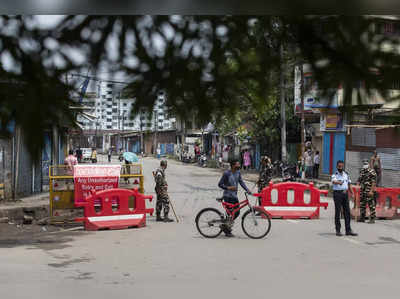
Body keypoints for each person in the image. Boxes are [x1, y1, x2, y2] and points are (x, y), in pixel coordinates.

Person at [218, 159, 252, 237]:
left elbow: (241, 182)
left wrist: (247, 190)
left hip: (234, 196)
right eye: (237, 165)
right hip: (227, 196)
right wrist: (229, 188)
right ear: (233, 166)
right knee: (230, 214)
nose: (239, 166)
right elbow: (220, 184)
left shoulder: (238, 173)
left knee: (237, 212)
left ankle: (226, 226)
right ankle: (226, 229)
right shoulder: (227, 173)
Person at [331, 160, 357, 237]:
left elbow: (349, 184)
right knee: (338, 212)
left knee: (347, 212)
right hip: (337, 194)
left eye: (341, 166)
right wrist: (339, 182)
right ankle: (338, 230)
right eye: (339, 166)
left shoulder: (346, 174)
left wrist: (352, 193)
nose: (340, 168)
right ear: (337, 166)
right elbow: (334, 181)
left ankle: (348, 230)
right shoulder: (335, 174)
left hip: (345, 194)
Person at [357, 159, 377, 223]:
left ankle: (372, 218)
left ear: (368, 164)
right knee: (362, 204)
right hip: (362, 190)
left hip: (369, 190)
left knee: (371, 204)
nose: (364, 164)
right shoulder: (362, 171)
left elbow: (374, 182)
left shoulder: (372, 171)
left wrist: (371, 191)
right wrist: (358, 185)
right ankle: (362, 218)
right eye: (364, 163)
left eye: (366, 163)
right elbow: (359, 179)